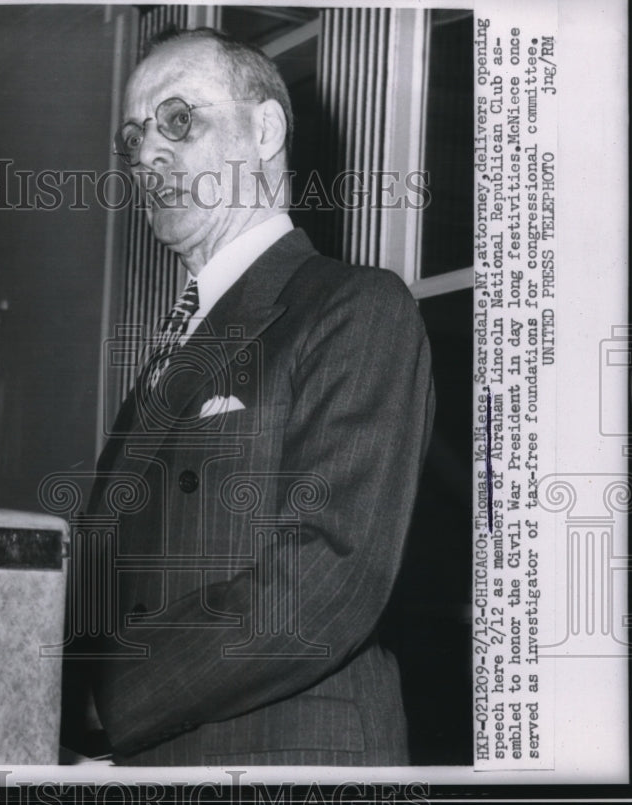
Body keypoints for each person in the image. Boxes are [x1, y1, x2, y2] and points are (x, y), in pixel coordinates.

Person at [66, 26, 435, 767]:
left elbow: (330, 576)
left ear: (264, 129)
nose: (146, 155)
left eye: (178, 120)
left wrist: (103, 693)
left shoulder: (355, 308)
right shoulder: (177, 340)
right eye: (133, 137)